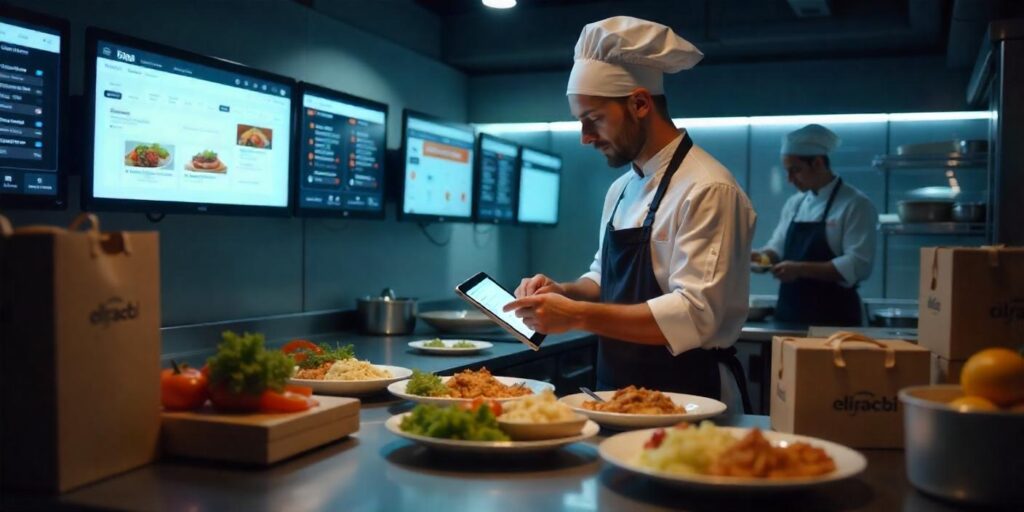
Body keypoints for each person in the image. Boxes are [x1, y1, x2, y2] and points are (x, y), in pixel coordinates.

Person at [503, 16, 756, 412]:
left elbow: (693, 316)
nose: (585, 138)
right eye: (580, 123)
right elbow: (605, 278)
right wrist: (564, 291)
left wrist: (576, 316)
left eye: (594, 120)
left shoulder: (709, 188)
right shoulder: (621, 188)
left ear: (639, 103)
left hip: (690, 398)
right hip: (617, 395)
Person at [751, 124, 878, 326]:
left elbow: (858, 265)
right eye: (787, 171)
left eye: (796, 171)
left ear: (818, 163)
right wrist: (757, 259)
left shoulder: (855, 204)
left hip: (834, 322)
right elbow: (777, 248)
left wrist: (800, 269)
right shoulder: (795, 203)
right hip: (790, 316)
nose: (790, 179)